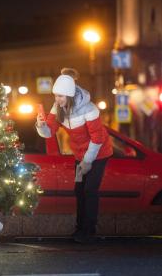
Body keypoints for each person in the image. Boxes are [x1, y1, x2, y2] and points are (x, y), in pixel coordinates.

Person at [36, 68, 113, 243]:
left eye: (61, 96)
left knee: (90, 190)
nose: (57, 100)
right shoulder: (58, 108)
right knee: (78, 190)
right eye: (56, 96)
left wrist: (87, 161)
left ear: (70, 95)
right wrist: (41, 125)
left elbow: (98, 138)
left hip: (99, 153)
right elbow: (49, 132)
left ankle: (89, 230)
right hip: (79, 154)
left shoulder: (89, 109)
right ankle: (80, 228)